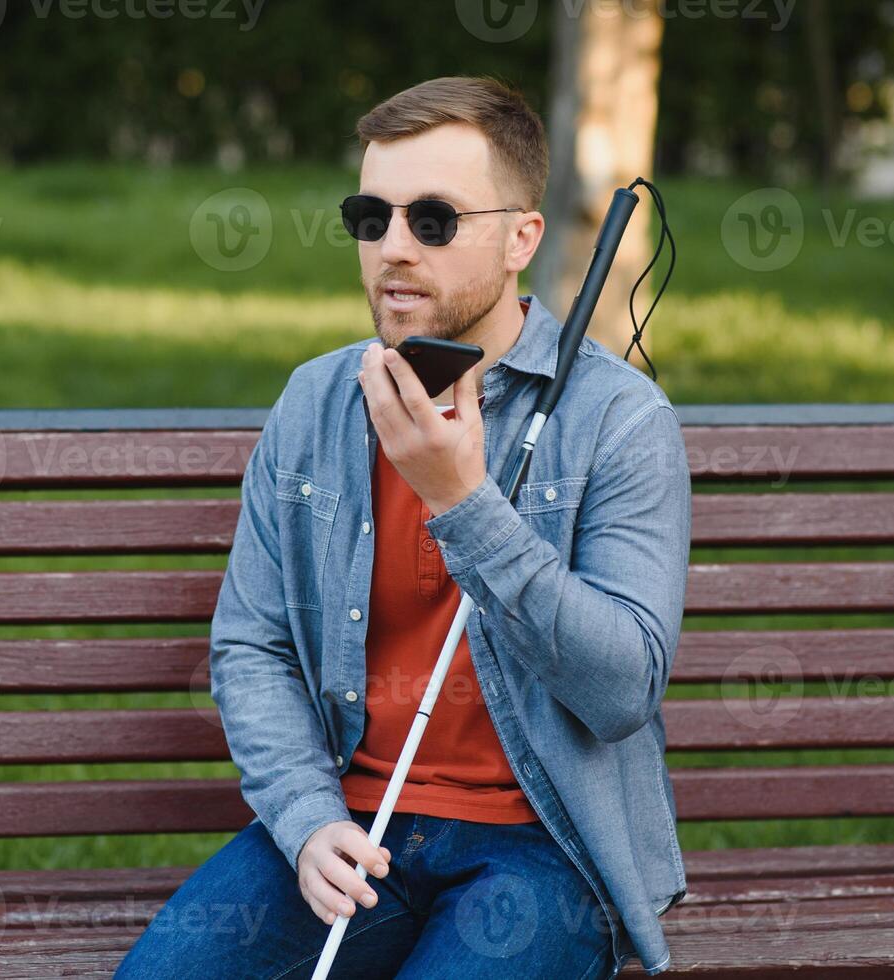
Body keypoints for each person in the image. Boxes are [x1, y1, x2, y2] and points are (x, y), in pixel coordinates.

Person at [115, 74, 691, 979]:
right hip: (354, 822)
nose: (393, 249)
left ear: (520, 239)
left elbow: (622, 690)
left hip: (542, 848)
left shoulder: (619, 419)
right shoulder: (316, 400)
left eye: (433, 220)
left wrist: (465, 504)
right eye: (370, 217)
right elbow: (253, 644)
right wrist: (307, 821)